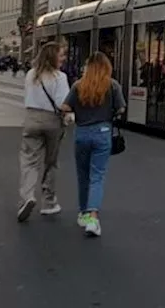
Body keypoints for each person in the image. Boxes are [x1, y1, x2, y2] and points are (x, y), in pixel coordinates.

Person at [61, 51, 126, 238]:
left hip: (81, 133)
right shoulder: (112, 85)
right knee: (97, 175)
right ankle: (93, 216)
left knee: (83, 175)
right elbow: (121, 108)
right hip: (103, 133)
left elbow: (65, 107)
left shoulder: (78, 85)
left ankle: (83, 213)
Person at [17, 41, 72, 223]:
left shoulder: (32, 74)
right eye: (61, 55)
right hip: (52, 121)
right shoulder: (60, 77)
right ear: (53, 57)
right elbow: (62, 103)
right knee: (50, 162)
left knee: (29, 160)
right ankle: (48, 202)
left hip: (32, 119)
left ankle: (27, 196)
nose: (63, 58)